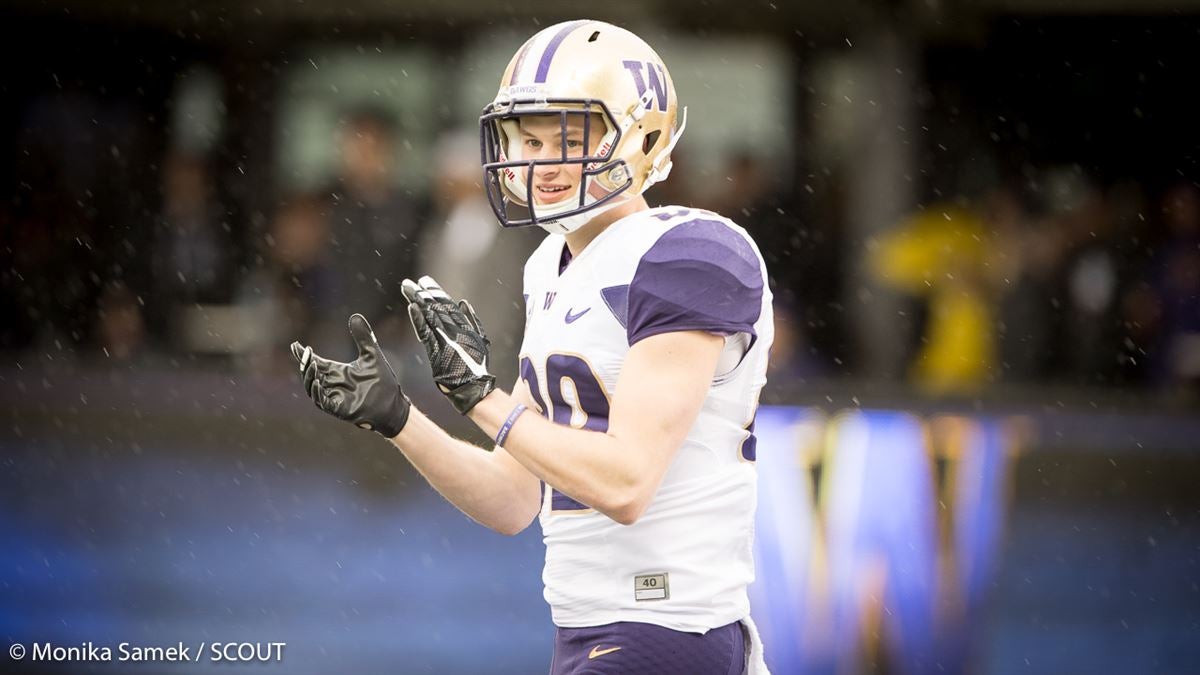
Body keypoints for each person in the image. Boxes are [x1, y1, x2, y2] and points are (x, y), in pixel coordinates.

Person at [290, 20, 773, 674]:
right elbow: (512, 496)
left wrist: (482, 398)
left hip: (668, 628)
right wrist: (401, 418)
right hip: (585, 628)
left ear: (642, 135)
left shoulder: (688, 253)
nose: (541, 160)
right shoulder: (548, 265)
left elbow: (628, 482)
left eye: (568, 137)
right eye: (528, 139)